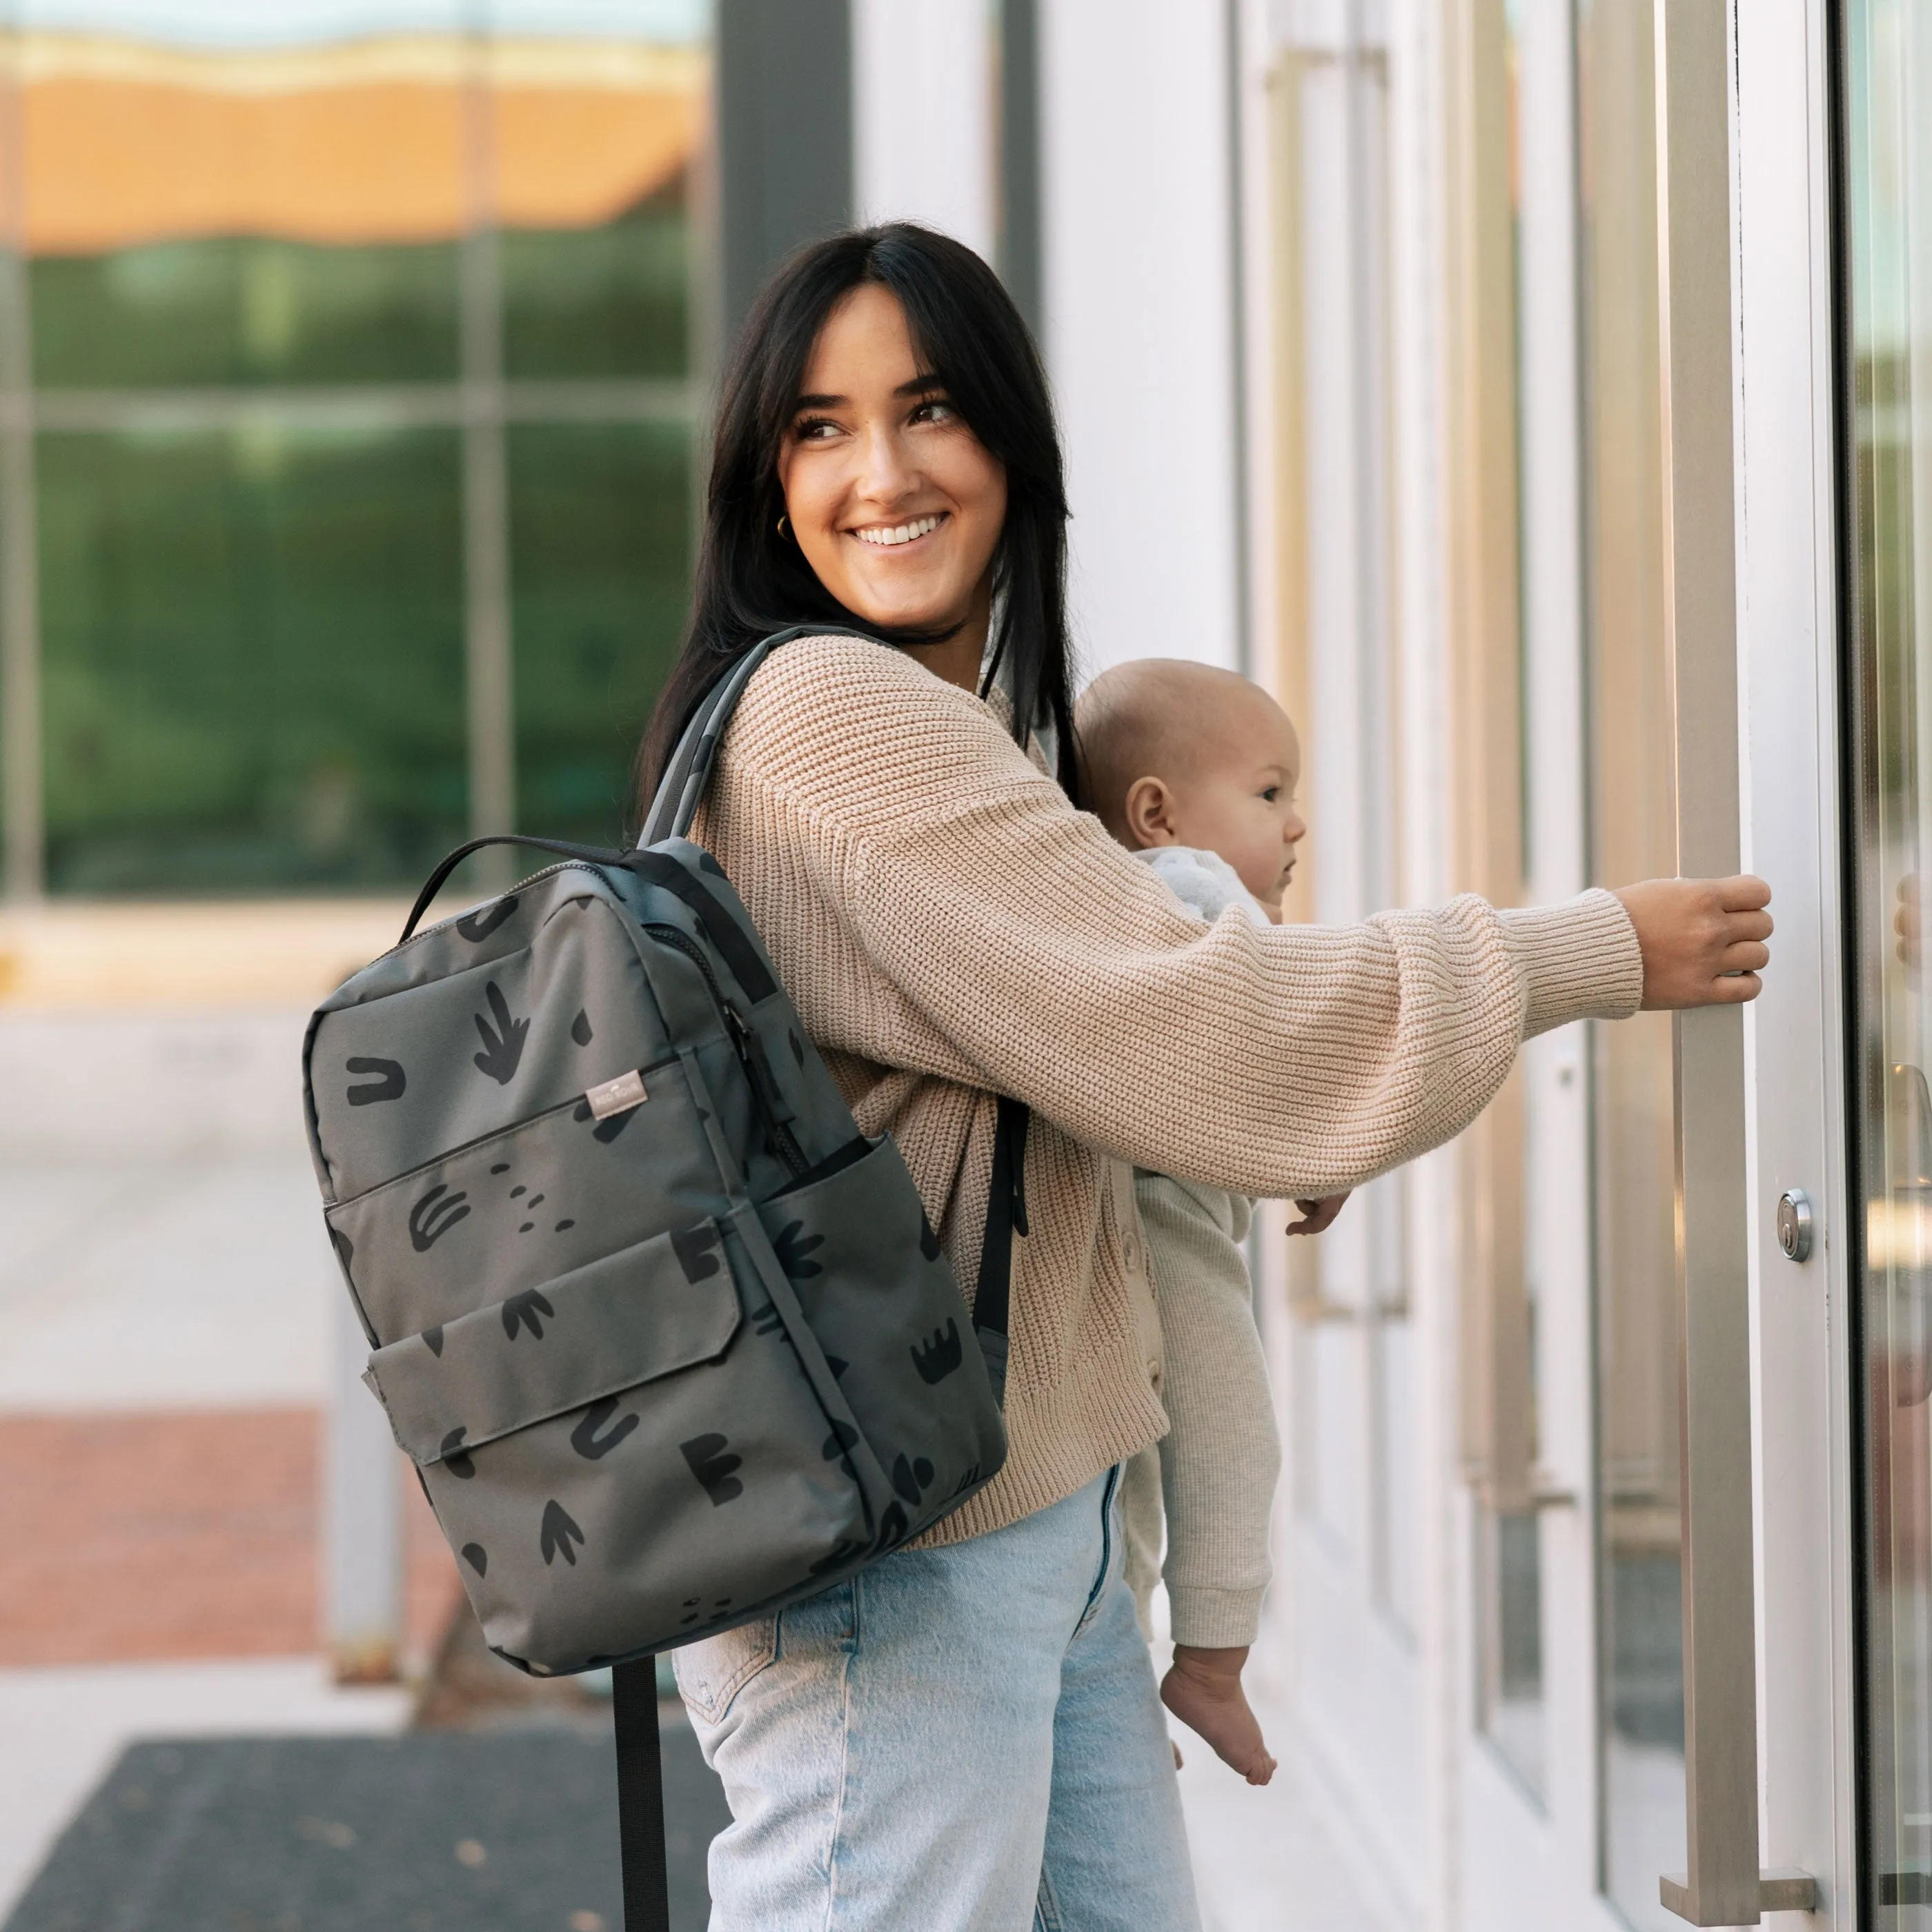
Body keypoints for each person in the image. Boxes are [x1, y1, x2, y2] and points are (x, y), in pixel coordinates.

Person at [632, 223, 1771, 1932]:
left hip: (1037, 1513)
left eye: (927, 407)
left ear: (1010, 440)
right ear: (763, 478)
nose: (879, 471)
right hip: (910, 1563)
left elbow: (1113, 1051)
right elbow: (1207, 1025)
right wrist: (1590, 948)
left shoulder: (964, 729)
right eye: (818, 426)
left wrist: (1216, 1115)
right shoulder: (831, 717)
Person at [1076, 658, 1324, 1789]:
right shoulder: (1191, 889)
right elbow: (1286, 1028)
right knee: (1231, 1431)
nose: (1298, 822)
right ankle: (1212, 1664)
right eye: (1270, 794)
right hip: (1168, 1232)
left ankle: (1130, 1677)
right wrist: (1323, 1136)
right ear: (1158, 812)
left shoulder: (1104, 900)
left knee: (1121, 1492)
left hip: (1112, 1238)